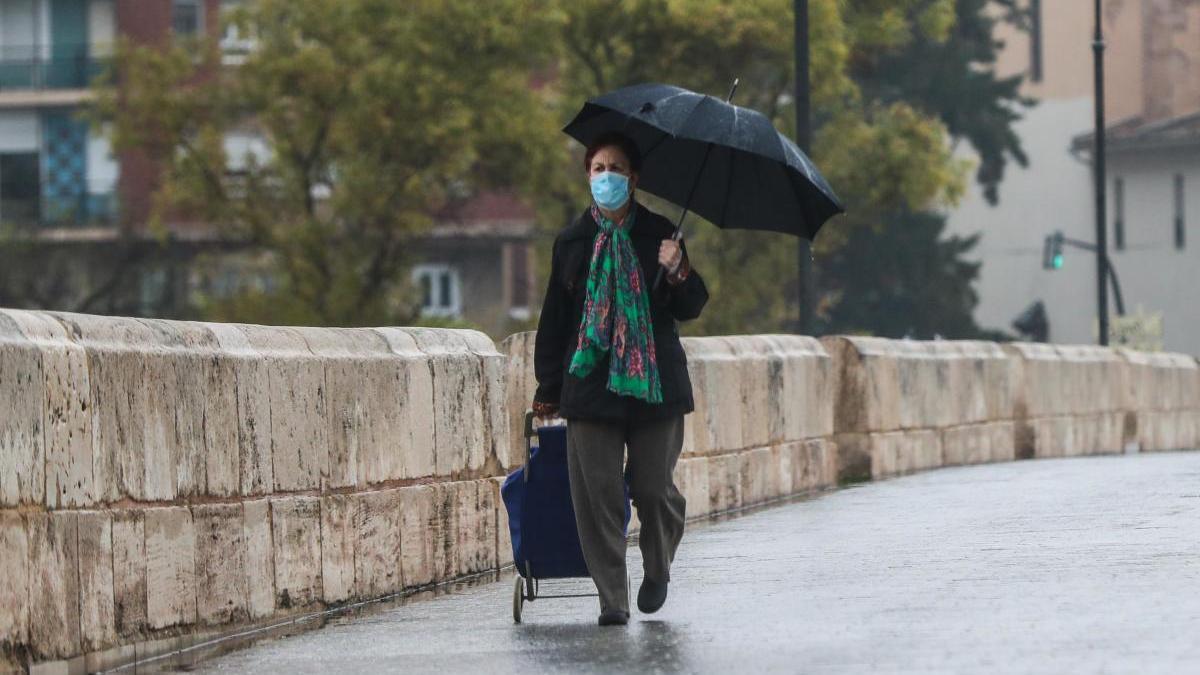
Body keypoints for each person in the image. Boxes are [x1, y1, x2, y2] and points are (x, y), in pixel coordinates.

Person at [532, 131, 709, 626]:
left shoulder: (661, 234)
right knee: (599, 497)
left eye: (616, 168)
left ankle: (658, 566)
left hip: (654, 387)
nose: (606, 177)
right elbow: (556, 321)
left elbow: (692, 306)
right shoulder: (572, 241)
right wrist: (549, 388)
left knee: (653, 489)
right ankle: (613, 596)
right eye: (597, 168)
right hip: (589, 386)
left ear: (633, 179)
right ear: (588, 176)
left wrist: (678, 272)